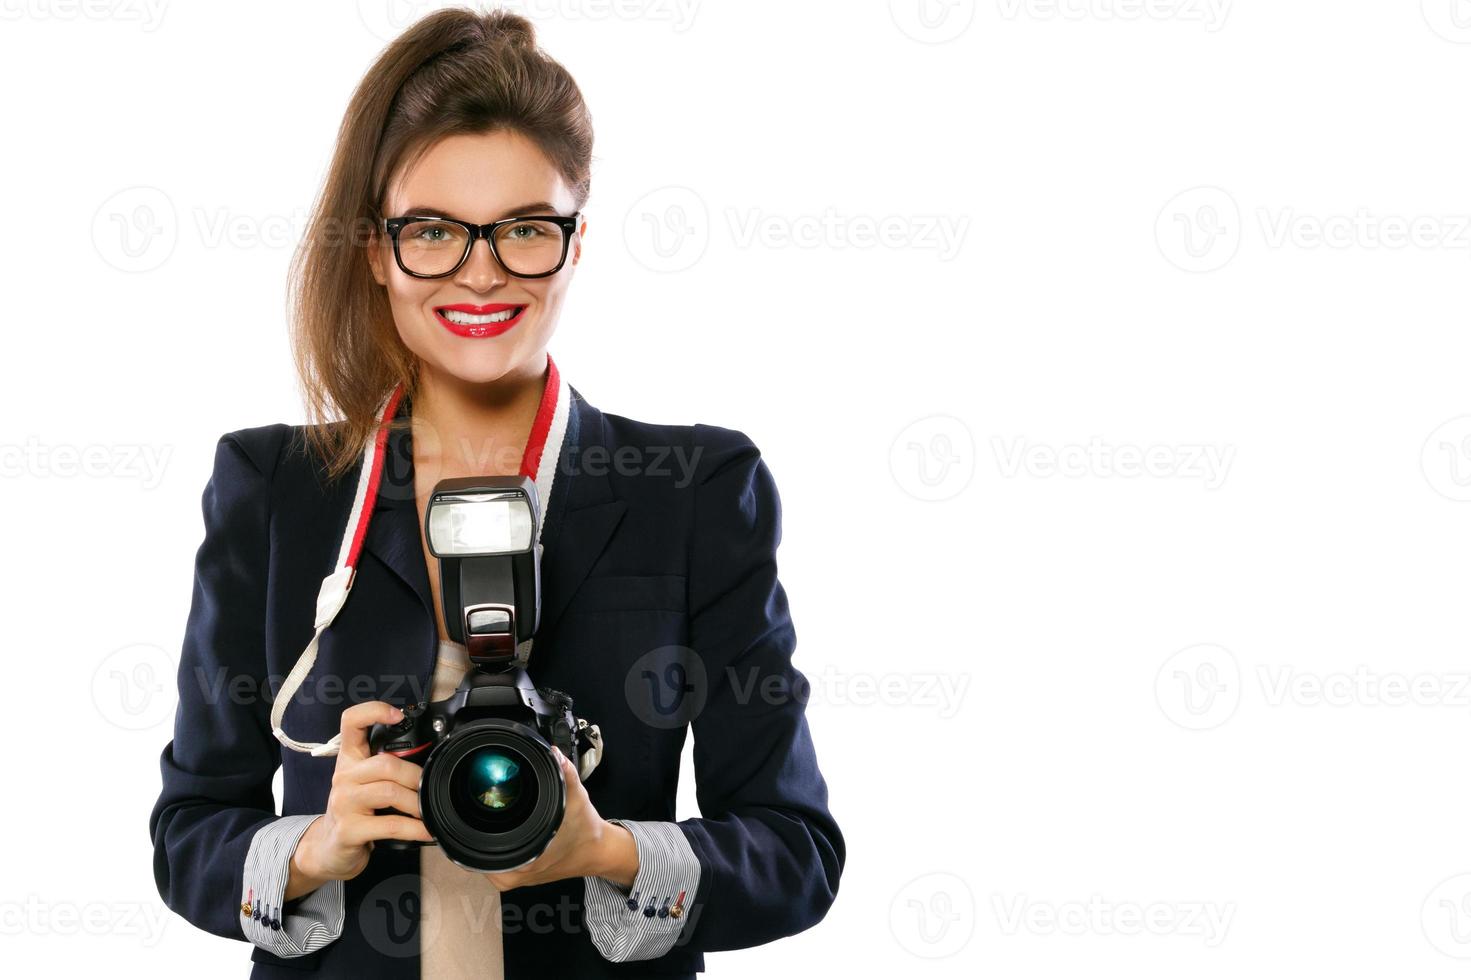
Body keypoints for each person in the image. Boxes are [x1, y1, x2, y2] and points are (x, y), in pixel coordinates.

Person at [147, 8, 844, 979]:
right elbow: (188, 832)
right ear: (379, 250)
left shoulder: (695, 491)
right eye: (433, 230)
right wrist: (314, 844)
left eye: (524, 229)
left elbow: (796, 849)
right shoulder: (275, 491)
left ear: (577, 239)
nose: (480, 273)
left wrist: (612, 851)